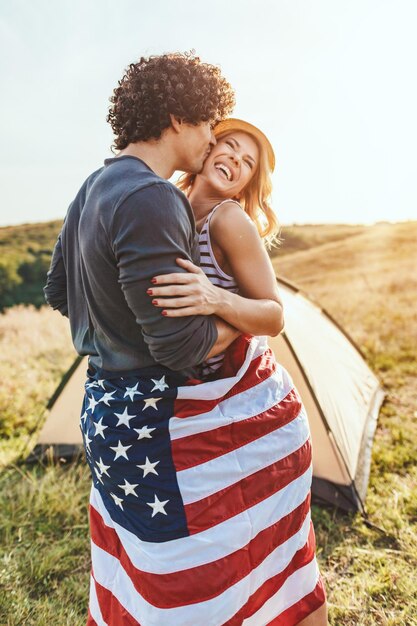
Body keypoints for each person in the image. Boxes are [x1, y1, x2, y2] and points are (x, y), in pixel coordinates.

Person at [147, 118, 328, 625]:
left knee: (276, 559)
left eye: (248, 162)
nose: (235, 160)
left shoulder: (229, 221)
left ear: (249, 182)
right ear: (206, 148)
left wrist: (214, 297)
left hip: (244, 408)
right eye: (229, 145)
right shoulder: (163, 205)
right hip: (181, 403)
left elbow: (273, 314)